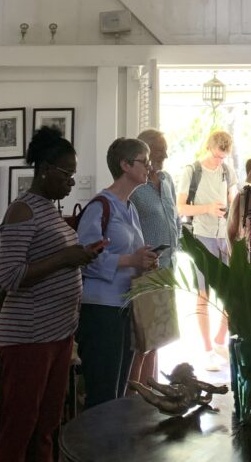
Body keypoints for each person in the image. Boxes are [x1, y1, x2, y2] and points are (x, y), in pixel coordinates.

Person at [0, 127, 103, 462]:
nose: (72, 182)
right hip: (29, 337)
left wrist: (81, 254)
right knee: (20, 425)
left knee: (47, 424)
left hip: (57, 333)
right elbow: (11, 276)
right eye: (66, 174)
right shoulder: (21, 211)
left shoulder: (49, 209)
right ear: (44, 168)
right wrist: (66, 258)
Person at [76, 137, 158, 407]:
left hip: (124, 306)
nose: (150, 167)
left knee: (119, 390)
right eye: (143, 162)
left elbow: (132, 255)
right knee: (102, 393)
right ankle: (93, 449)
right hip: (101, 309)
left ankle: (112, 447)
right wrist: (130, 260)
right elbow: (86, 258)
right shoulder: (100, 206)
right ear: (124, 164)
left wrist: (144, 261)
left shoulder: (130, 208)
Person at [177, 129, 238, 372]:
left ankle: (220, 341)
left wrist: (232, 217)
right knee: (203, 294)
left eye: (223, 157)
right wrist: (207, 209)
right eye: (217, 156)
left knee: (230, 291)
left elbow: (234, 201)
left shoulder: (227, 170)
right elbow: (181, 207)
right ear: (208, 148)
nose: (219, 160)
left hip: (226, 235)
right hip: (201, 235)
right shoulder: (192, 171)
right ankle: (206, 349)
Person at [128, 128, 180, 385]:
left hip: (168, 267)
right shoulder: (135, 186)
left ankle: (149, 392)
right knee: (142, 339)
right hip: (144, 270)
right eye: (160, 151)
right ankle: (132, 399)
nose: (165, 155)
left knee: (159, 337)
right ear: (144, 153)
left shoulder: (168, 179)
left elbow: (174, 219)